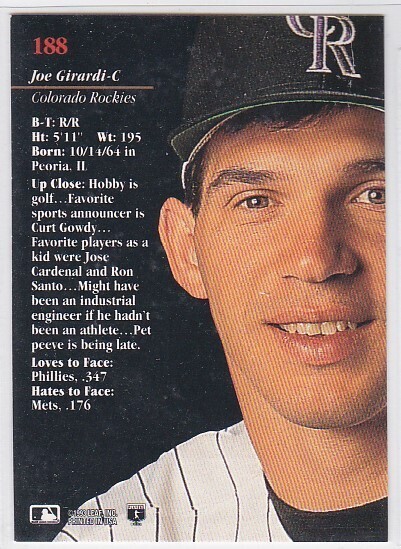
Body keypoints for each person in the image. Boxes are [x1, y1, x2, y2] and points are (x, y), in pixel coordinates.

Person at [54, 15, 386, 542]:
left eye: (376, 196)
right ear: (186, 250)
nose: (318, 262)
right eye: (256, 201)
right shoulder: (117, 534)